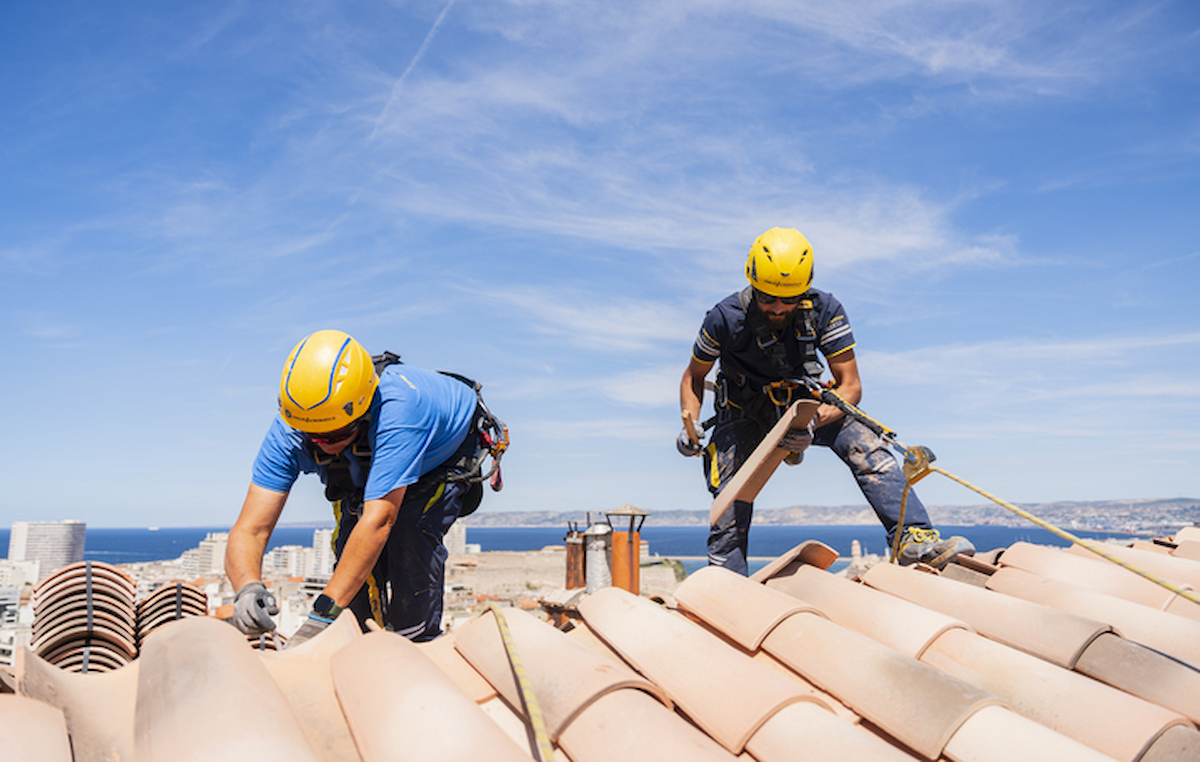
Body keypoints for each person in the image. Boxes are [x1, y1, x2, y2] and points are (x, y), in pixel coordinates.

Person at [678, 227, 973, 574]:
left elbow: (850, 387)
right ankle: (726, 578)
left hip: (805, 407)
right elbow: (694, 377)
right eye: (768, 298)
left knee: (866, 442)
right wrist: (691, 424)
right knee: (731, 490)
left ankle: (913, 538)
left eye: (788, 300)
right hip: (744, 412)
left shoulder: (825, 310)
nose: (777, 307)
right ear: (753, 283)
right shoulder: (724, 318)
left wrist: (811, 422)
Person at [225, 329, 506, 646]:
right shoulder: (291, 428)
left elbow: (379, 522)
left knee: (411, 536)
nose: (323, 445)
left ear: (361, 411)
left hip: (442, 452)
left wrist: (321, 616)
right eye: (312, 436)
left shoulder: (400, 410)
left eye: (334, 435)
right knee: (350, 544)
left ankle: (415, 643)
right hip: (365, 454)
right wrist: (247, 587)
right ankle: (359, 639)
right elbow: (250, 528)